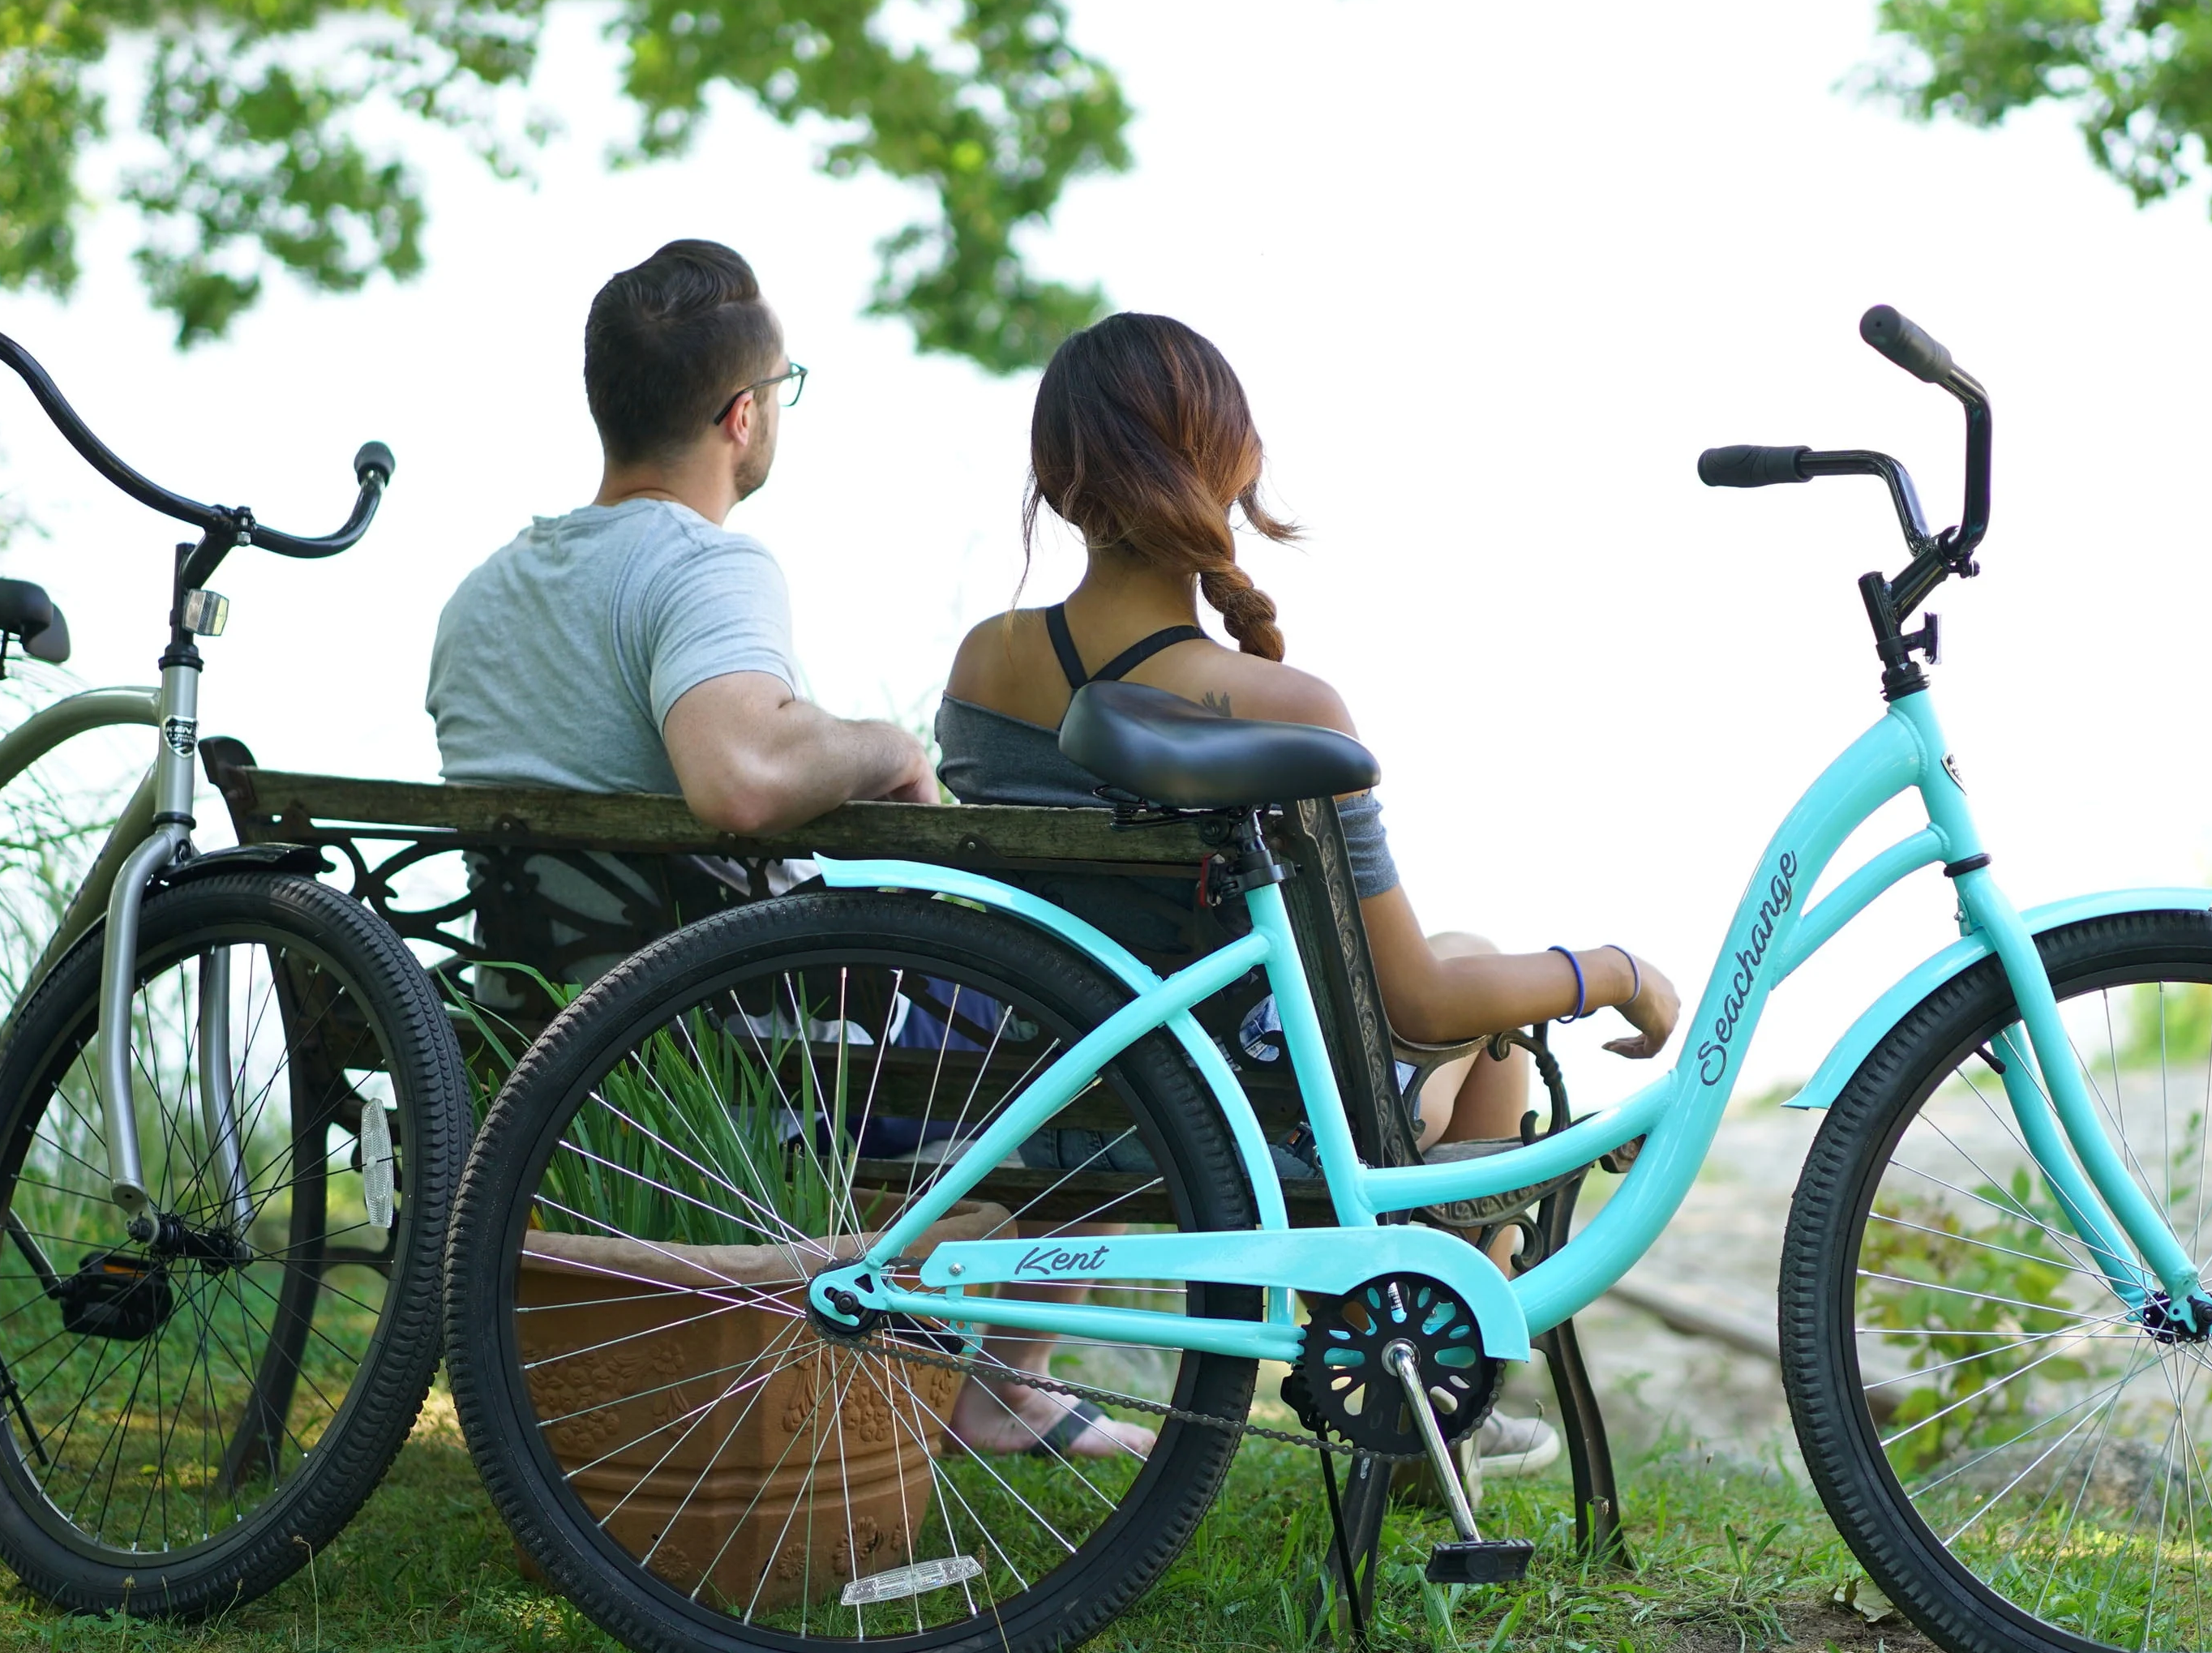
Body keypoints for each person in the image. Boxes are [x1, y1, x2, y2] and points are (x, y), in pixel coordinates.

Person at [936, 310, 1682, 1469]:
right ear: (1230, 471)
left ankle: (1007, 1378)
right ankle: (1440, 1408)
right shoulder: (1284, 707)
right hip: (1239, 1114)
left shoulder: (984, 664)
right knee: (1481, 1002)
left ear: (1059, 481)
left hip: (1045, 1086)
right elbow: (1421, 1004)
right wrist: (1613, 973)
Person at [427, 238, 931, 828]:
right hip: (709, 924)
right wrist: (898, 749)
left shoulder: (479, 594)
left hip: (511, 923)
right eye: (780, 383)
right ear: (743, 415)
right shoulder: (702, 566)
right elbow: (742, 781)